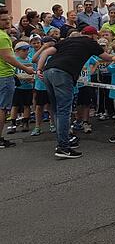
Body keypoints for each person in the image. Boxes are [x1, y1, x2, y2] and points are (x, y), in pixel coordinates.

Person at [36, 26, 111, 158]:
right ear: (93, 35)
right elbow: (107, 57)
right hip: (63, 73)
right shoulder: (90, 43)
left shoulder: (66, 41)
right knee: (64, 110)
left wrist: (39, 70)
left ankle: (62, 141)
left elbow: (45, 53)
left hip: (48, 71)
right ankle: (63, 147)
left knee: (57, 110)